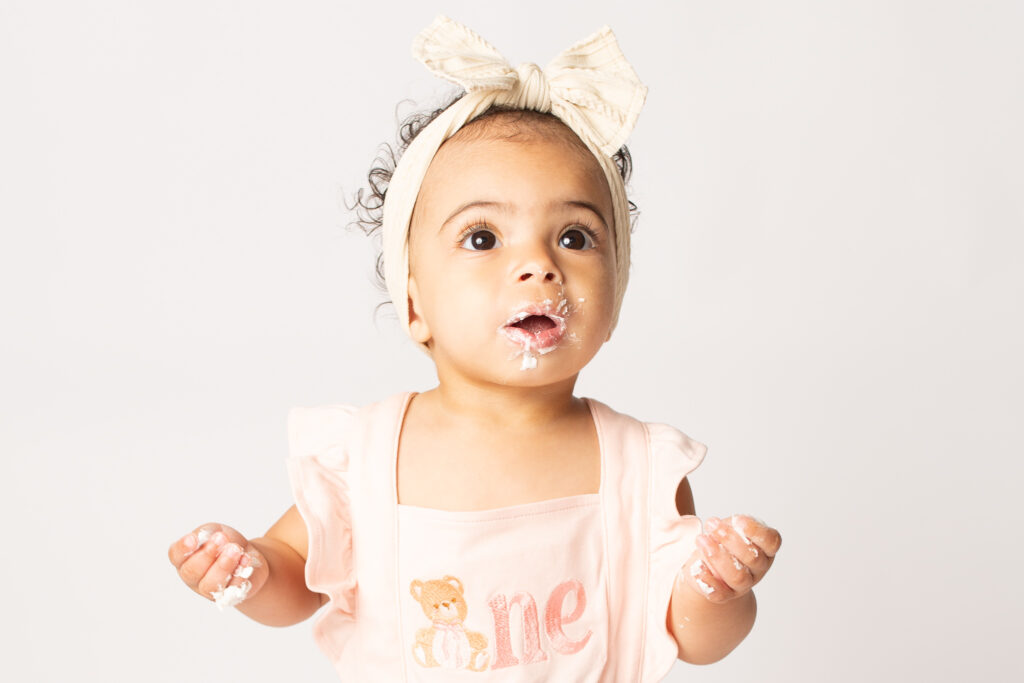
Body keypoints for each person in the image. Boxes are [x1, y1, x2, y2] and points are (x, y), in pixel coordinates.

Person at [167, 15, 781, 681]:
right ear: (414, 303)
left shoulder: (638, 466)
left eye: (574, 237)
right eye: (484, 238)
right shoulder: (368, 456)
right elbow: (296, 578)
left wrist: (716, 586)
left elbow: (692, 638)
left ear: (614, 299)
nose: (539, 265)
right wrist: (250, 570)